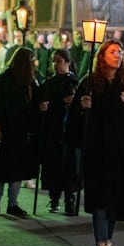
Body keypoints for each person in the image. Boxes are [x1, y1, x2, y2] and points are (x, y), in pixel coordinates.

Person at [64, 40, 124, 246]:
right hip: (99, 151)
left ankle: (107, 243)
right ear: (102, 56)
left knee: (116, 200)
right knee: (101, 199)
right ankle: (101, 245)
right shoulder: (90, 83)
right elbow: (75, 123)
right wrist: (82, 107)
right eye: (112, 52)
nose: (117, 55)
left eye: (120, 52)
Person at [0, 47, 41, 218]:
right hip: (5, 131)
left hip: (20, 132)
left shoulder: (29, 81)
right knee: (2, 169)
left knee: (16, 170)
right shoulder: (4, 80)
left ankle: (11, 203)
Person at [39, 49, 80, 214]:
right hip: (54, 130)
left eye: (59, 61)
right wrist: (43, 107)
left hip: (71, 131)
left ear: (67, 62)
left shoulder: (76, 82)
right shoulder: (49, 83)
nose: (55, 64)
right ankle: (54, 198)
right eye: (54, 61)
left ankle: (70, 199)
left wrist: (75, 101)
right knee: (54, 165)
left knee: (70, 167)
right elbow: (43, 102)